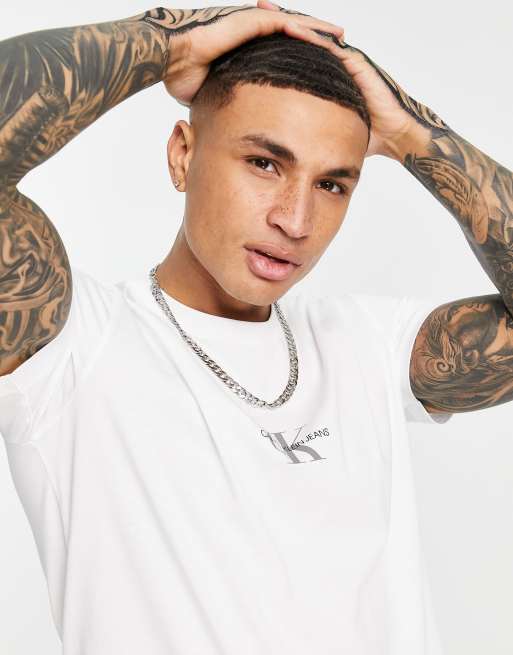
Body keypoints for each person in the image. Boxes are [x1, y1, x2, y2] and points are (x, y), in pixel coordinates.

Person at [1, 2, 512, 653]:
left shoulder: (370, 346)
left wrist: (416, 136)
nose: (295, 220)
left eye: (331, 184)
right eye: (265, 163)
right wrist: (171, 44)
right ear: (182, 155)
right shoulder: (68, 346)